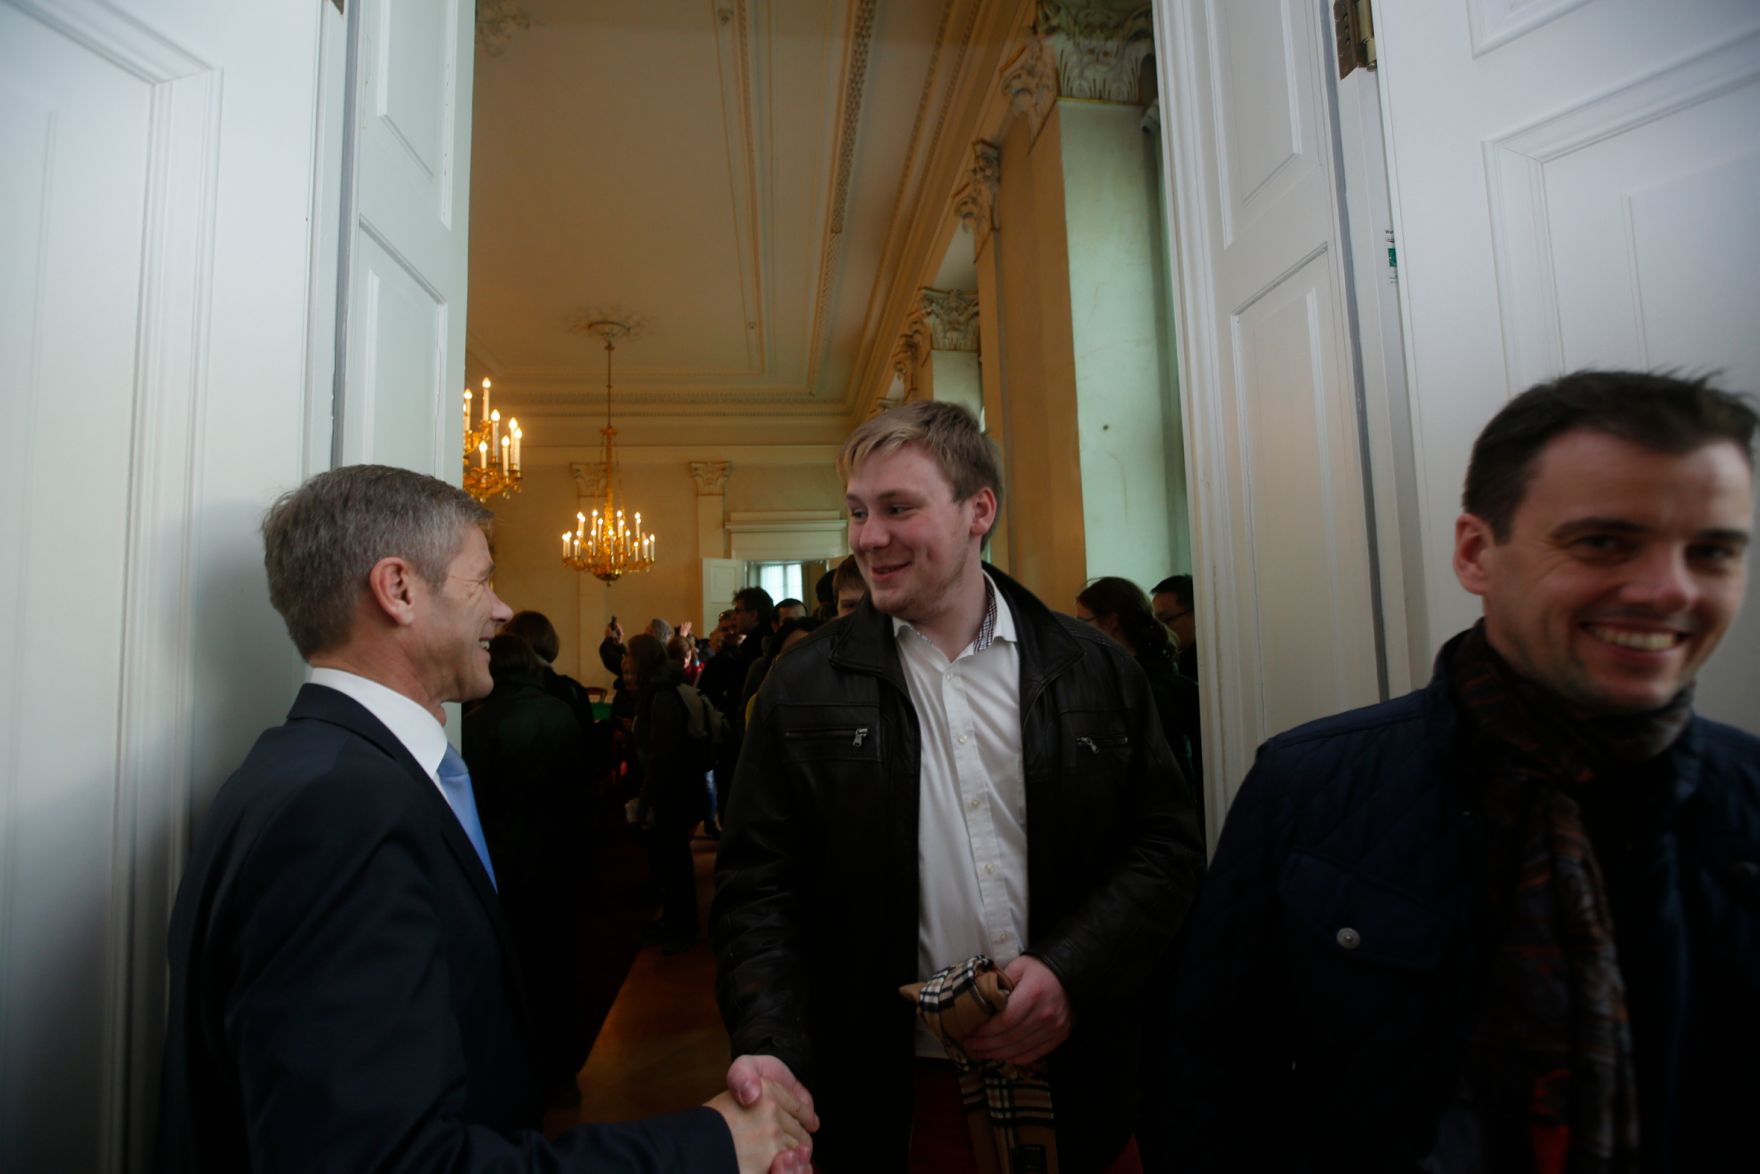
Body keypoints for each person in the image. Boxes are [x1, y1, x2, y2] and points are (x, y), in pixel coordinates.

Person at [1166, 371, 1760, 1173]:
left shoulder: (1747, 798)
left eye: (1713, 551)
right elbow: (1211, 1081)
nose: (1669, 590)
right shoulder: (1307, 786)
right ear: (1477, 553)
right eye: (1603, 543)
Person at [158, 464, 813, 1173]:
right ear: (399, 589)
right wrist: (711, 1146)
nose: (503, 611)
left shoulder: (315, 769)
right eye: (482, 581)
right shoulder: (338, 814)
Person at [713, 402, 1203, 1170]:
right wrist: (770, 1042)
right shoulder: (804, 684)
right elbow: (758, 885)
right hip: (893, 1094)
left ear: (980, 510)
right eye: (857, 513)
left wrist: (1070, 970)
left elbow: (1166, 846)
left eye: (897, 508)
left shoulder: (1093, 669)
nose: (868, 538)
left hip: (1078, 1071)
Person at [1075, 577, 1203, 835]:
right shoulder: (1121, 682)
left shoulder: (1144, 690)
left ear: (1111, 622)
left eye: (1082, 623)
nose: (1076, 634)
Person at [626, 633, 710, 955]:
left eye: (633, 659)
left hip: (672, 792)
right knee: (670, 861)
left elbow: (662, 754)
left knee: (675, 863)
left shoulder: (660, 695)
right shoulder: (660, 690)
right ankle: (673, 922)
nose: (629, 665)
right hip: (673, 789)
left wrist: (646, 799)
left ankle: (682, 928)